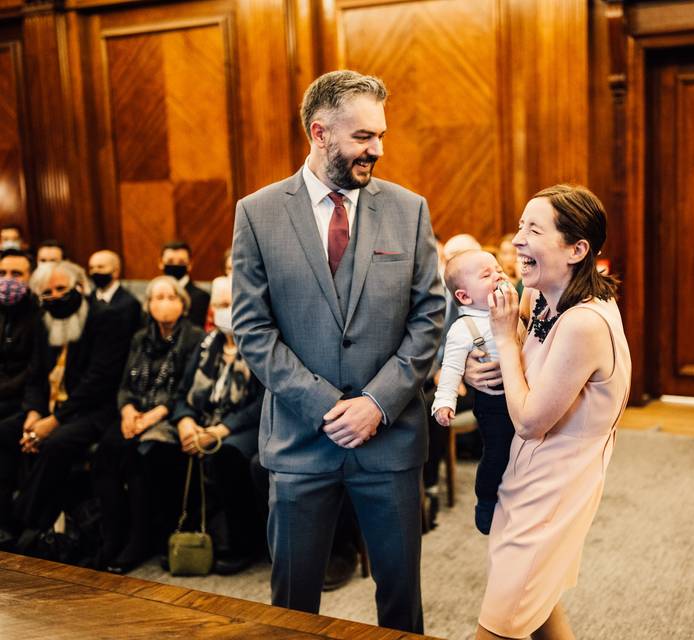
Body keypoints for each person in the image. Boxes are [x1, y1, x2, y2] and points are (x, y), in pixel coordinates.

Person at [232, 69, 444, 633]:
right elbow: (252, 329)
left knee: (401, 603)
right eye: (363, 137)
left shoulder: (408, 209)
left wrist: (376, 402)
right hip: (301, 443)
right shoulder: (257, 214)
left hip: (391, 440)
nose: (376, 149)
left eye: (380, 136)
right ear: (320, 133)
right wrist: (328, 406)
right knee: (293, 607)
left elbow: (429, 317)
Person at [469, 185, 631, 640]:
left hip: (554, 485)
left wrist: (502, 340)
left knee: (504, 616)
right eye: (520, 226)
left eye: (533, 230)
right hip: (524, 473)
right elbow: (520, 352)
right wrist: (475, 366)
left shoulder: (584, 323)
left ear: (577, 249)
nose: (518, 239)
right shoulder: (540, 294)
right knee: (536, 605)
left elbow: (529, 420)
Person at [0, 260, 127, 551]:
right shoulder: (44, 320)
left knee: (55, 443)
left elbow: (98, 382)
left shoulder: (105, 318)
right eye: (48, 292)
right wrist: (33, 413)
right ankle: (4, 520)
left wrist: (52, 422)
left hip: (94, 411)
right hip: (49, 408)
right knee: (5, 433)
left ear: (78, 287)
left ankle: (24, 523)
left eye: (61, 289)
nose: (56, 297)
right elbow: (35, 375)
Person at [92, 276, 205, 573]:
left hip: (169, 417)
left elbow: (187, 388)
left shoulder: (195, 338)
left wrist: (154, 416)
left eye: (170, 297)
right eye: (156, 297)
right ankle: (112, 536)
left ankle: (140, 540)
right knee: (106, 451)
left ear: (183, 304)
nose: (163, 303)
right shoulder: (140, 337)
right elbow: (125, 384)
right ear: (148, 304)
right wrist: (128, 412)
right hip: (136, 413)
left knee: (140, 453)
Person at [167, 275, 264, 575]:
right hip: (203, 421)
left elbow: (261, 404)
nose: (225, 310)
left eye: (231, 304)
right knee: (166, 447)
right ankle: (186, 538)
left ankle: (239, 543)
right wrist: (185, 422)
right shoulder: (206, 344)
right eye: (219, 304)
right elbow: (183, 391)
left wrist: (220, 431)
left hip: (247, 425)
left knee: (227, 455)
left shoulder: (260, 344)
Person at [431, 249, 513, 534]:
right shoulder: (462, 329)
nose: (498, 274)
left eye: (498, 269)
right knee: (497, 451)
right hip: (493, 402)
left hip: (521, 393)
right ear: (464, 297)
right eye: (486, 274)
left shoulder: (510, 308)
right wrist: (443, 402)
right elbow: (451, 368)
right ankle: (487, 499)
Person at [0, 249, 39, 421]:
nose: (7, 280)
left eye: (16, 274)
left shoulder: (41, 315)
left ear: (31, 277)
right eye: (2, 273)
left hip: (21, 397)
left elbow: (34, 368)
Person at [88, 250, 143, 340]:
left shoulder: (129, 303)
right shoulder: (87, 300)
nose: (95, 271)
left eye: (100, 267)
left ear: (116, 271)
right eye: (91, 268)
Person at [159, 241, 210, 328]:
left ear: (189, 264)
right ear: (161, 263)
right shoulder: (154, 294)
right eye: (170, 261)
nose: (175, 265)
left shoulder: (201, 297)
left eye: (181, 262)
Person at [496, 233, 524, 299]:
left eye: (514, 253)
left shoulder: (529, 281)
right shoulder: (496, 281)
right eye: (504, 253)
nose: (509, 258)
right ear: (498, 255)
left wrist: (521, 279)